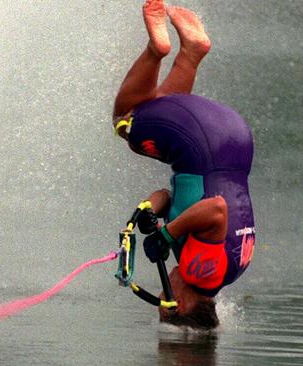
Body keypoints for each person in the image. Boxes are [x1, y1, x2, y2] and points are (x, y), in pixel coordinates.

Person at [113, 0, 255, 330]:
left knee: (158, 111)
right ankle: (157, 49)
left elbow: (168, 195)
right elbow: (216, 209)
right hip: (204, 145)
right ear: (183, 302)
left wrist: (146, 212)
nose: (165, 285)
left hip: (232, 141)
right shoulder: (200, 272)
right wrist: (166, 237)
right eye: (166, 296)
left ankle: (191, 52)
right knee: (126, 119)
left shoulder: (221, 271)